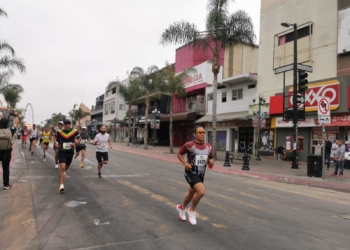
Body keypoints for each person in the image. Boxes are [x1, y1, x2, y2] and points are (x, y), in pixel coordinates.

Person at [176, 125, 214, 226]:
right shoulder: (189, 145)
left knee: (191, 193)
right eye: (199, 132)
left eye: (203, 132)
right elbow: (179, 154)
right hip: (190, 172)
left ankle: (181, 208)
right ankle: (192, 210)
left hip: (201, 174)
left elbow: (211, 158)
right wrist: (185, 164)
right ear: (194, 134)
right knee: (201, 192)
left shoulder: (208, 146)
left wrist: (211, 162)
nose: (202, 134)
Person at [54, 119, 80, 193]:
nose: (67, 125)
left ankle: (63, 172)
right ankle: (61, 185)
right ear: (63, 125)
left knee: (66, 167)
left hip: (70, 152)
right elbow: (55, 137)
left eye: (68, 123)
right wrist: (55, 143)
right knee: (62, 167)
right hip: (62, 151)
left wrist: (76, 143)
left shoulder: (74, 131)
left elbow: (79, 138)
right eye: (65, 124)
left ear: (70, 124)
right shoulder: (59, 131)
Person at [0, 111, 19, 189]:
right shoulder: (10, 130)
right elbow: (16, 123)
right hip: (6, 152)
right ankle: (6, 184)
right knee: (6, 168)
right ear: (7, 124)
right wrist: (16, 115)